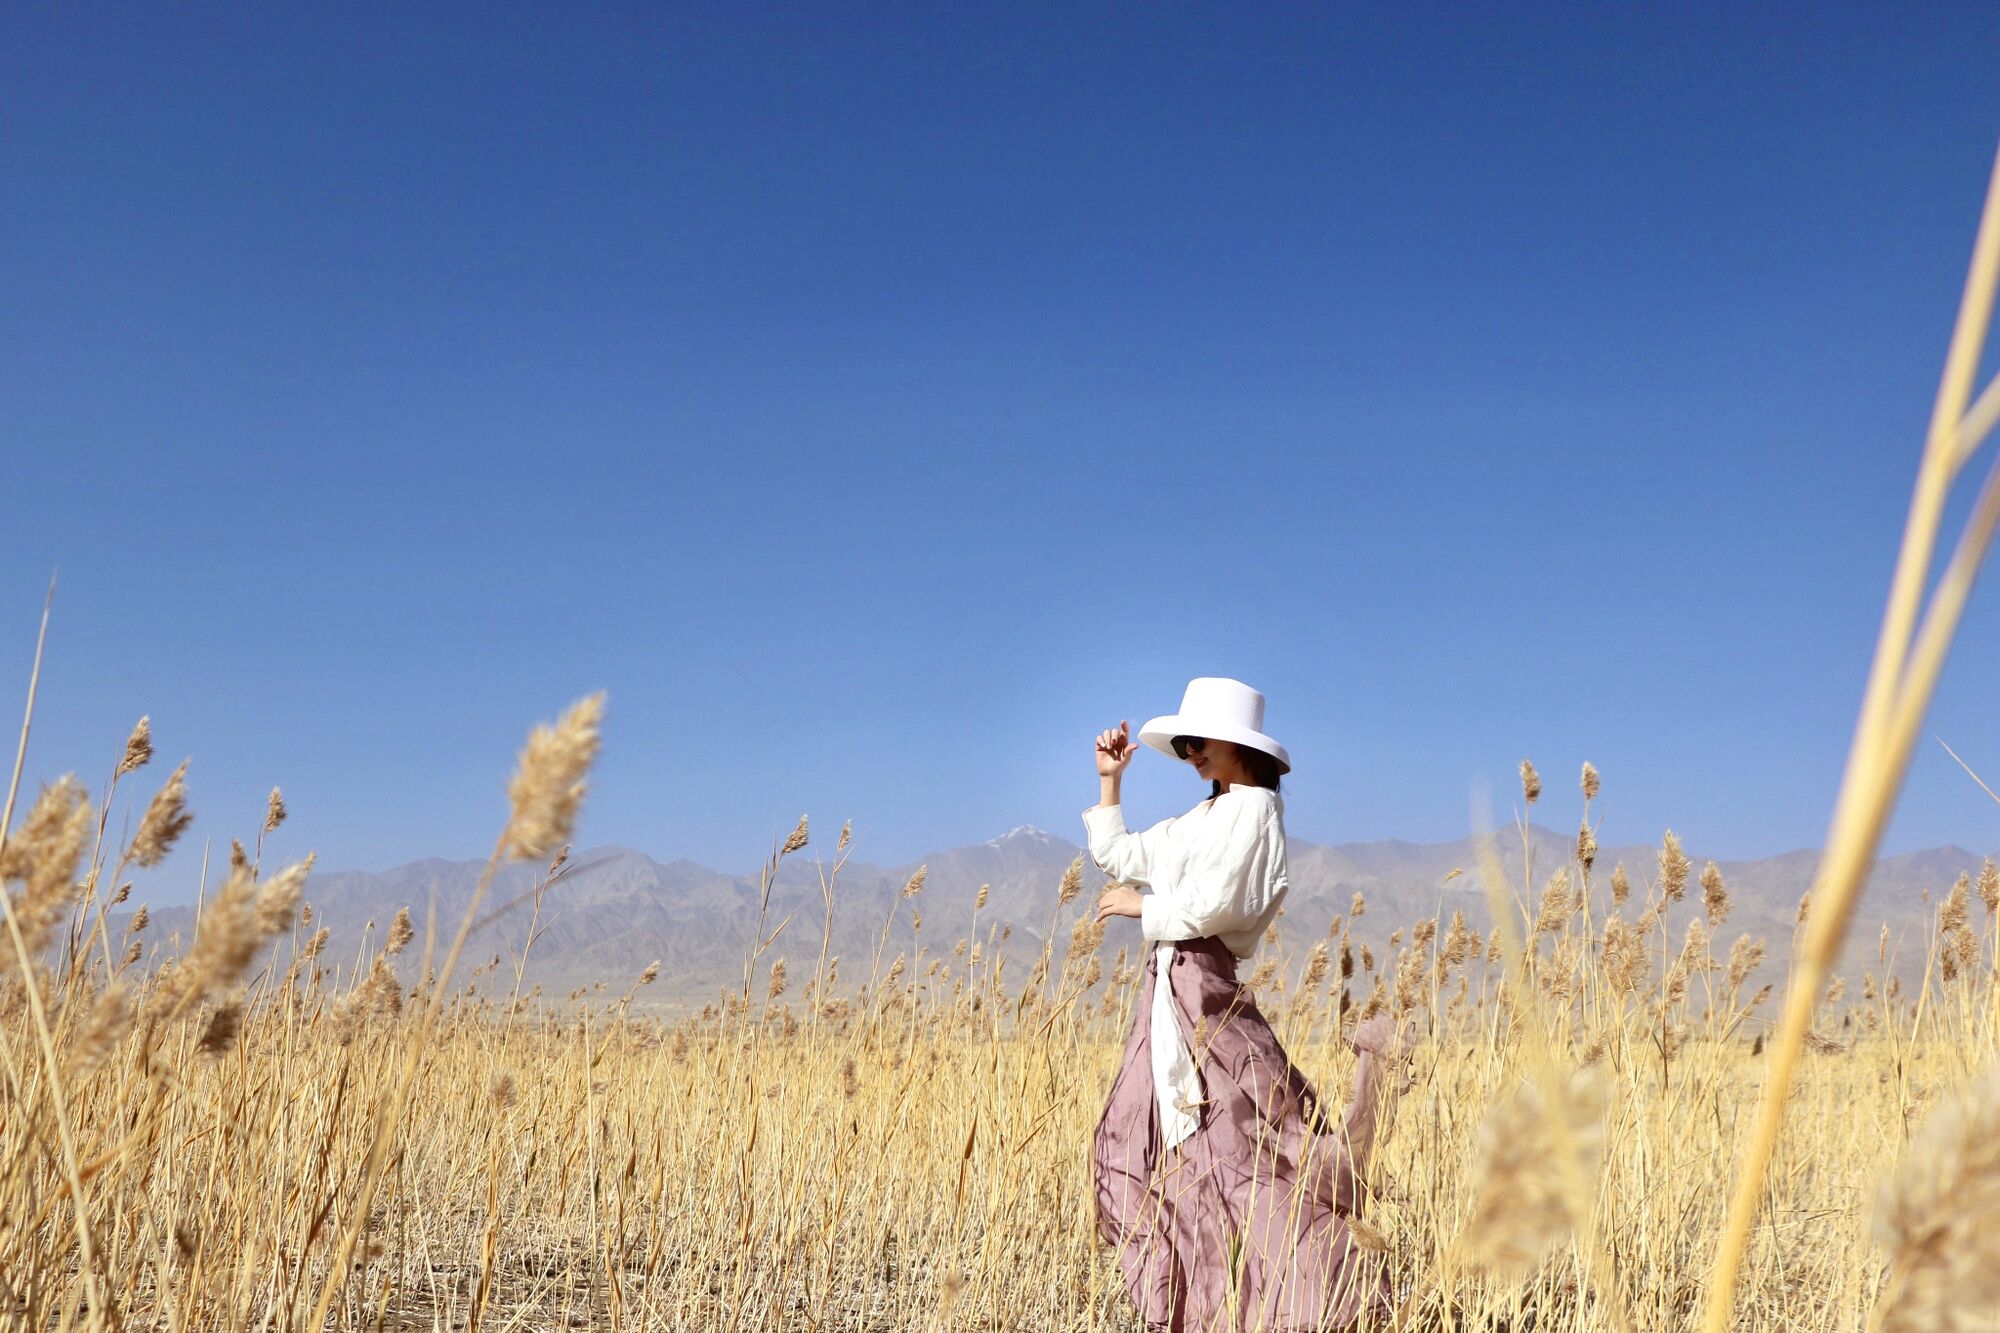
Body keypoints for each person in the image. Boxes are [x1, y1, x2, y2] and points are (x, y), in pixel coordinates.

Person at [1085, 677, 1409, 1332]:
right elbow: (1120, 853)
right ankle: (1193, 1305)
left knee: (1242, 1148)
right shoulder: (1199, 817)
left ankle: (1296, 1301)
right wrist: (1110, 782)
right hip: (1166, 999)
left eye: (1199, 739)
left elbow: (1220, 904)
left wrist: (1141, 906)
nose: (1191, 751)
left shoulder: (1257, 810)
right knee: (1133, 1147)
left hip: (1205, 994)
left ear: (1236, 744)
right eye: (1185, 743)